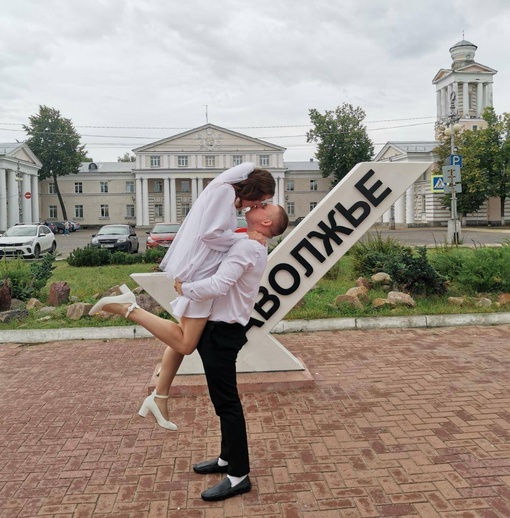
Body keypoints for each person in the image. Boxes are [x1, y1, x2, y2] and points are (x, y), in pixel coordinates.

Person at [89, 162, 275, 430]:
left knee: (180, 338)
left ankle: (160, 396)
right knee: (186, 343)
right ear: (255, 188)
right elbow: (211, 235)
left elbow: (212, 233)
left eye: (262, 204)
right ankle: (129, 308)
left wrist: (241, 236)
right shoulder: (224, 192)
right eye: (260, 199)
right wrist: (244, 238)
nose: (256, 205)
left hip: (201, 270)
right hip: (202, 274)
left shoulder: (222, 191)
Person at [173, 203, 289, 501]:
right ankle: (226, 459)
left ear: (265, 221)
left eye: (263, 205)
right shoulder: (250, 243)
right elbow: (224, 238)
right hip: (222, 330)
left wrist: (184, 288)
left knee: (227, 404)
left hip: (221, 333)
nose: (256, 204)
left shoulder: (249, 248)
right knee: (222, 399)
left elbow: (219, 284)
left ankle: (239, 476)